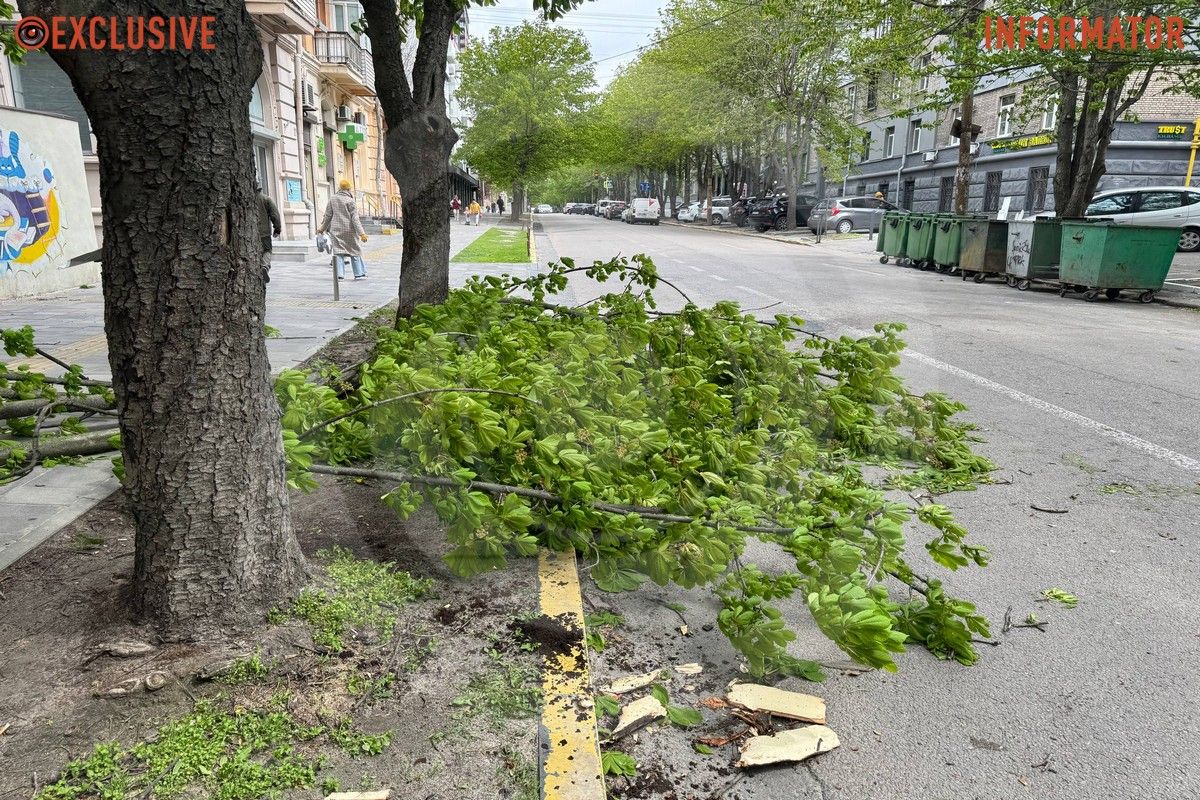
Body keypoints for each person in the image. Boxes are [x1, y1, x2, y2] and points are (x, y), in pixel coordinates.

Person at [316, 177, 368, 280]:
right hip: (350, 231)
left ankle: (339, 275)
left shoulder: (333, 199)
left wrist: (322, 228)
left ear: (340, 188)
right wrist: (362, 233)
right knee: (355, 251)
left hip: (336, 231)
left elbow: (328, 216)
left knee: (338, 253)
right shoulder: (350, 201)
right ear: (348, 189)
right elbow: (355, 219)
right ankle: (359, 273)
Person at [257, 182, 281, 284]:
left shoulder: (244, 199)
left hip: (246, 234)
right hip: (264, 233)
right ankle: (265, 266)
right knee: (267, 250)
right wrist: (277, 229)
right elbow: (275, 215)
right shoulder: (266, 199)